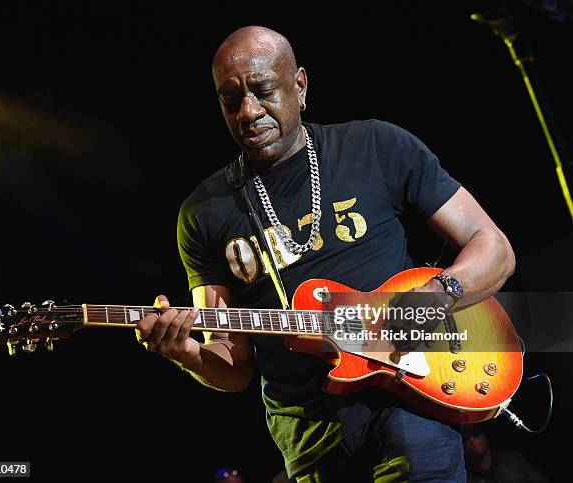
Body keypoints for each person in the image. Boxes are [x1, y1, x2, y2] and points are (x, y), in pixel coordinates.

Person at [135, 26, 516, 482]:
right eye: (230, 99)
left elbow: (492, 247)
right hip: (308, 434)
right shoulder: (202, 213)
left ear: (299, 84)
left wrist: (434, 296)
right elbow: (233, 364)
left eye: (262, 90)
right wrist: (187, 354)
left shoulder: (376, 145)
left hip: (410, 396)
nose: (248, 112)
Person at [463, 427, 548, 483]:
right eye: (466, 438)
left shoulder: (513, 459)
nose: (472, 440)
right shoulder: (463, 476)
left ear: (484, 436)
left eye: (475, 434)